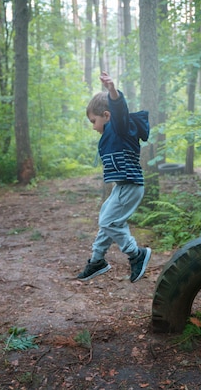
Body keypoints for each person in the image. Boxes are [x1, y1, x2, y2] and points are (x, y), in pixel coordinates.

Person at [77, 71, 151, 283]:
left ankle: (137, 254)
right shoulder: (110, 134)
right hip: (123, 186)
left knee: (108, 220)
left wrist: (112, 91)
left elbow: (119, 110)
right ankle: (97, 260)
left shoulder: (119, 127)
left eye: (94, 121)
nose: (93, 127)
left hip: (131, 185)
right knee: (106, 220)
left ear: (107, 116)